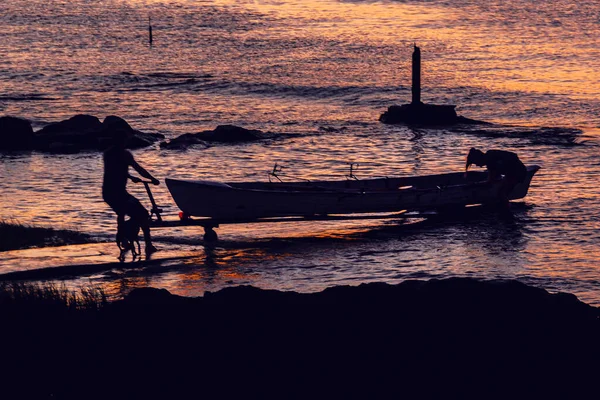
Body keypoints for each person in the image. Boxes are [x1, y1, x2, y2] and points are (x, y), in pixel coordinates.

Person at [102, 131, 160, 256]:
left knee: (121, 213)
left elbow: (114, 171)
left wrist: (130, 176)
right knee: (143, 214)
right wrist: (153, 179)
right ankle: (148, 245)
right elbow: (139, 169)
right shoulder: (125, 154)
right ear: (122, 141)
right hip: (118, 194)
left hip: (108, 193)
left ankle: (123, 239)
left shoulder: (107, 154)